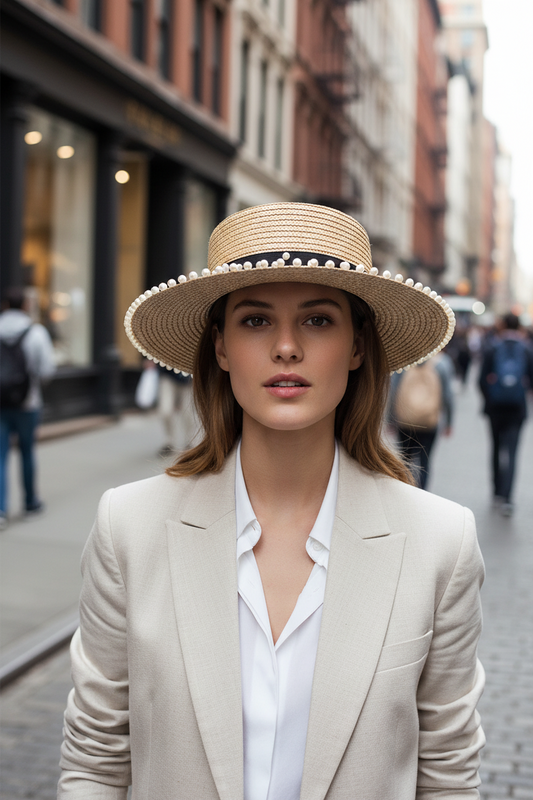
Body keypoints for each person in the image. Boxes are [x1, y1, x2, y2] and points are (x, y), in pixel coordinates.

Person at [59, 204, 485, 799]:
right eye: (256, 321)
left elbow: (448, 772)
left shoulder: (442, 541)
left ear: (358, 346)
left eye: (317, 320)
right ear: (222, 348)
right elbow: (96, 761)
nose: (286, 347)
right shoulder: (129, 527)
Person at [0, 287, 55, 528]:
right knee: (26, 452)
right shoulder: (36, 332)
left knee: (0, 456)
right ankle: (30, 502)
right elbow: (47, 370)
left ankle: (1, 510)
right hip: (28, 402)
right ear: (25, 305)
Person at [478, 312, 533, 517]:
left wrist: (490, 397)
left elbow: (481, 380)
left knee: (495, 448)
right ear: (519, 326)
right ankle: (508, 497)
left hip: (495, 409)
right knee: (512, 451)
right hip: (517, 409)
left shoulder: (493, 347)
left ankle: (496, 491)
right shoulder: (527, 349)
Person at [390, 351, 454, 489]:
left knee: (405, 460)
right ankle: (422, 494)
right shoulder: (442, 364)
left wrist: (390, 419)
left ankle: (404, 491)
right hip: (429, 422)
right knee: (425, 461)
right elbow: (448, 396)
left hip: (405, 421)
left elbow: (393, 392)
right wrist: (449, 422)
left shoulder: (403, 362)